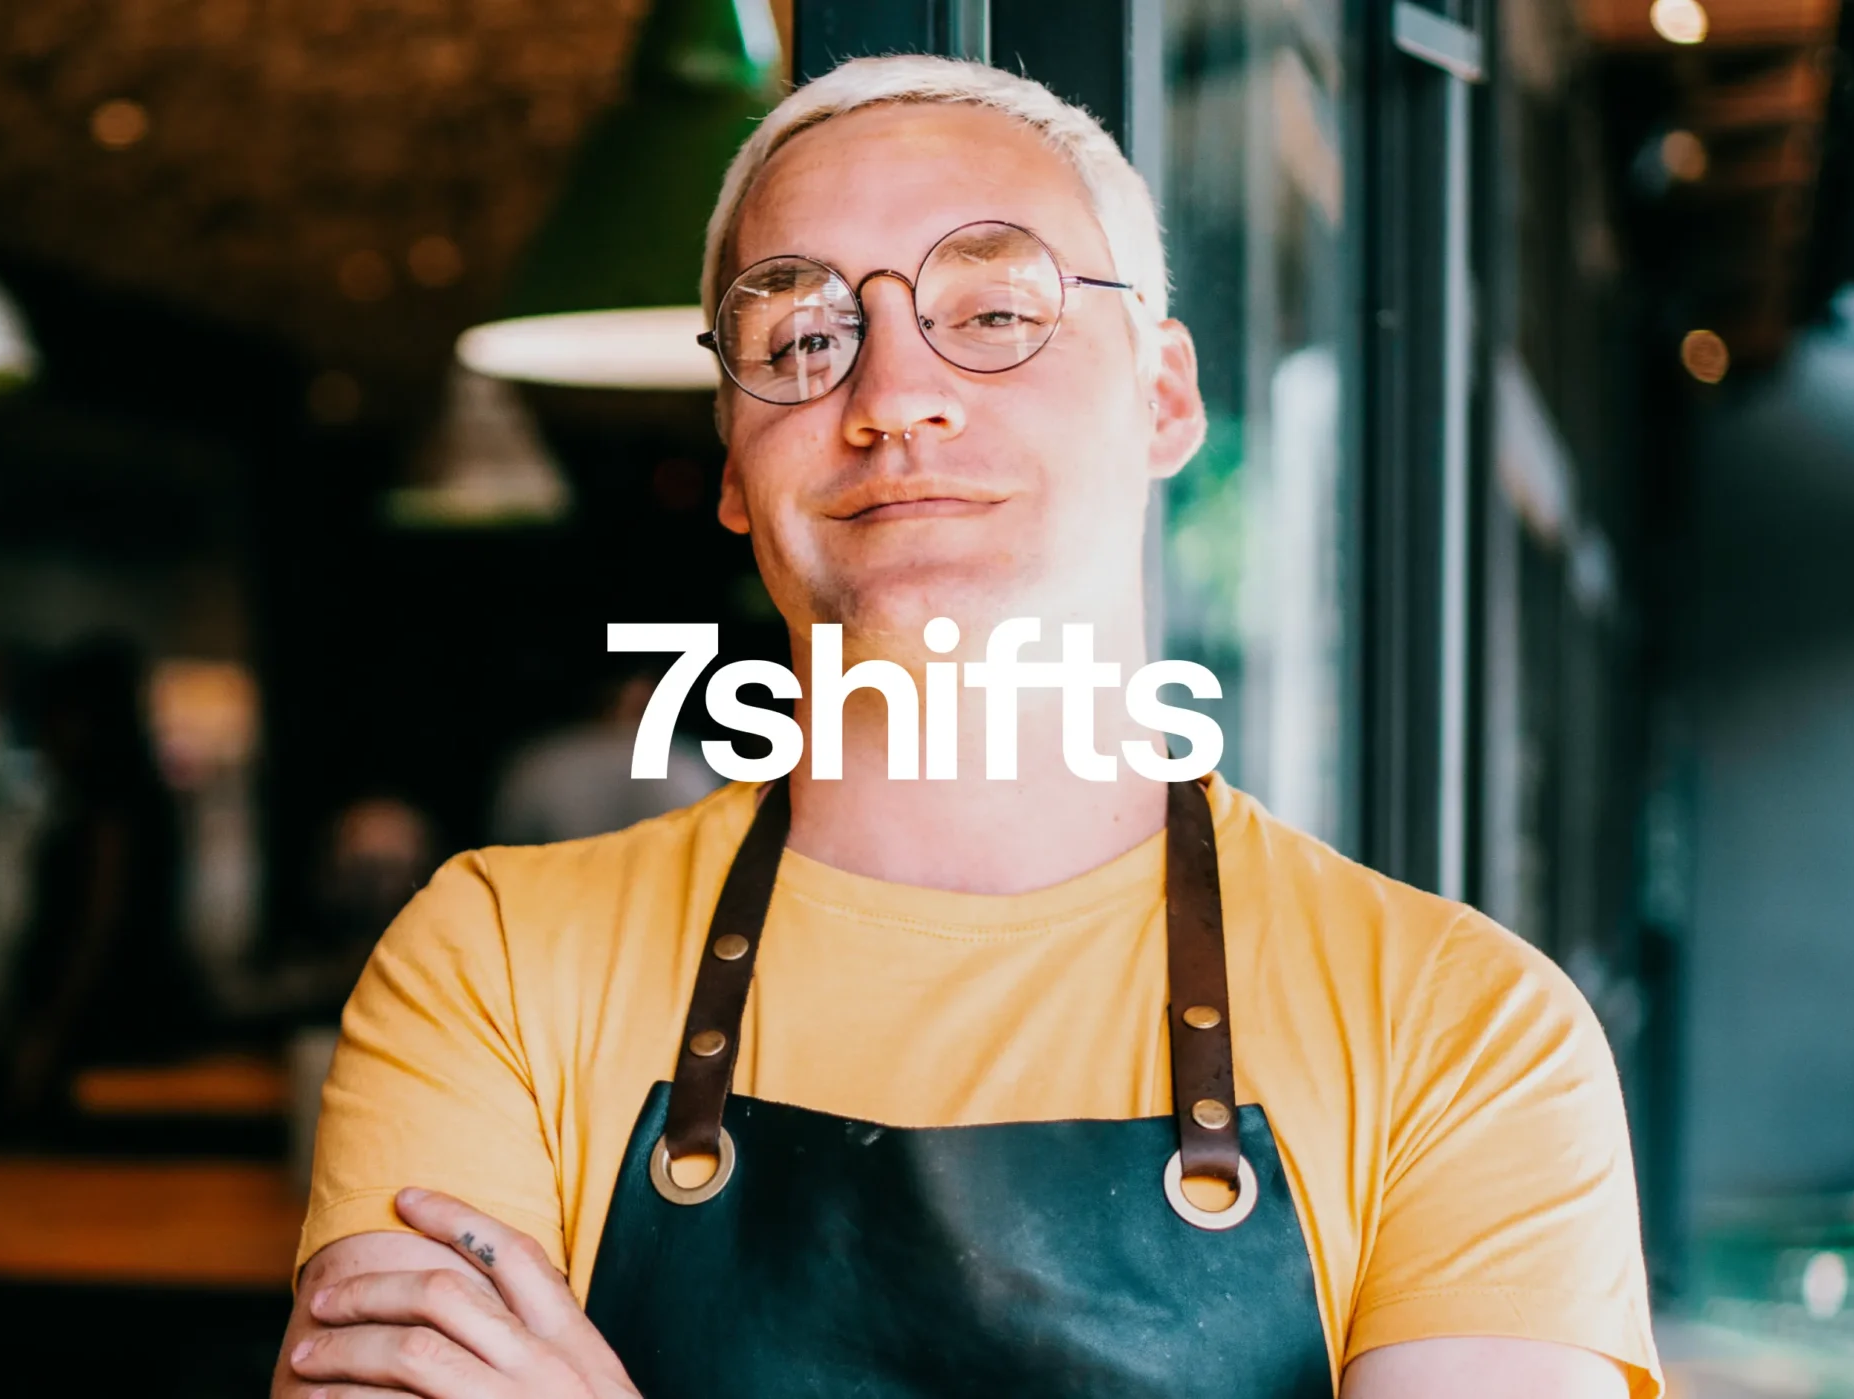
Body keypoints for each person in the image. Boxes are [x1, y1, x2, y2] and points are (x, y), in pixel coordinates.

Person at [276, 56, 1659, 1399]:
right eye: (803, 338)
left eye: (996, 314)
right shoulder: (497, 965)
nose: (890, 398)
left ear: (1163, 394)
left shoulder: (1465, 1034)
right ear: (734, 469)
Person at [6, 636, 201, 1116]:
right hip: (118, 1020)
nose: (47, 733)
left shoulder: (115, 803)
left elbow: (99, 924)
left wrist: (50, 1031)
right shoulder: (126, 800)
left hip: (109, 1026)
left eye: (58, 715)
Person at [486, 672, 721, 846]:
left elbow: (507, 837)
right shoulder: (689, 762)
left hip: (559, 899)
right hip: (660, 901)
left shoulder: (541, 761)